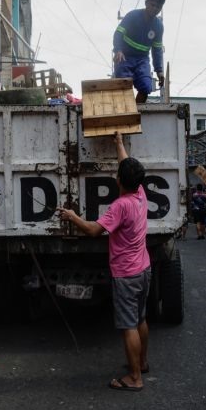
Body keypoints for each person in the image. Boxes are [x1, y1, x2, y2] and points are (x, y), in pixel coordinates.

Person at [59, 132, 151, 392]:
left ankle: (135, 378)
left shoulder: (120, 206)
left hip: (126, 274)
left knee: (128, 325)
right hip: (144, 269)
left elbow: (92, 230)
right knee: (141, 319)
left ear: (119, 179)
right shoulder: (141, 194)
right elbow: (127, 165)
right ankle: (142, 363)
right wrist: (119, 144)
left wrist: (72, 216)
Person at [112, 0, 166, 103]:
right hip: (124, 57)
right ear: (146, 3)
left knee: (146, 87)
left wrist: (159, 70)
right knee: (124, 86)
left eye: (158, 7)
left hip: (142, 60)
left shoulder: (158, 26)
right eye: (153, 5)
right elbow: (118, 34)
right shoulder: (132, 16)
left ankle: (136, 111)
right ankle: (125, 111)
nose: (155, 9)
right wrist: (118, 50)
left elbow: (157, 49)